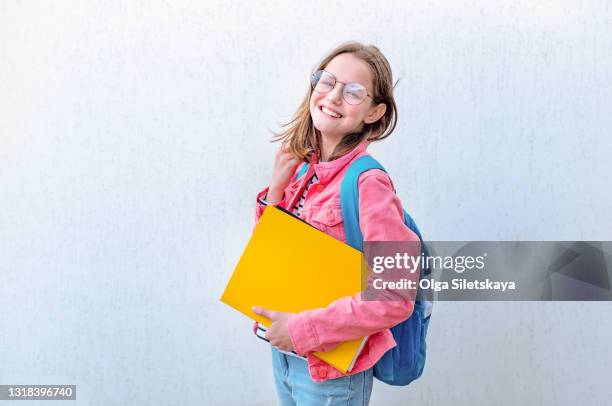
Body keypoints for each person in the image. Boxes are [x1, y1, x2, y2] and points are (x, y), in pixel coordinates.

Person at [251, 41, 419, 406]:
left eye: (354, 92)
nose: (334, 96)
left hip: (330, 373)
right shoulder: (303, 170)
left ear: (374, 112)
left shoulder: (367, 183)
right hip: (287, 358)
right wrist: (278, 189)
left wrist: (300, 330)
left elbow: (395, 295)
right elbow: (274, 260)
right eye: (327, 81)